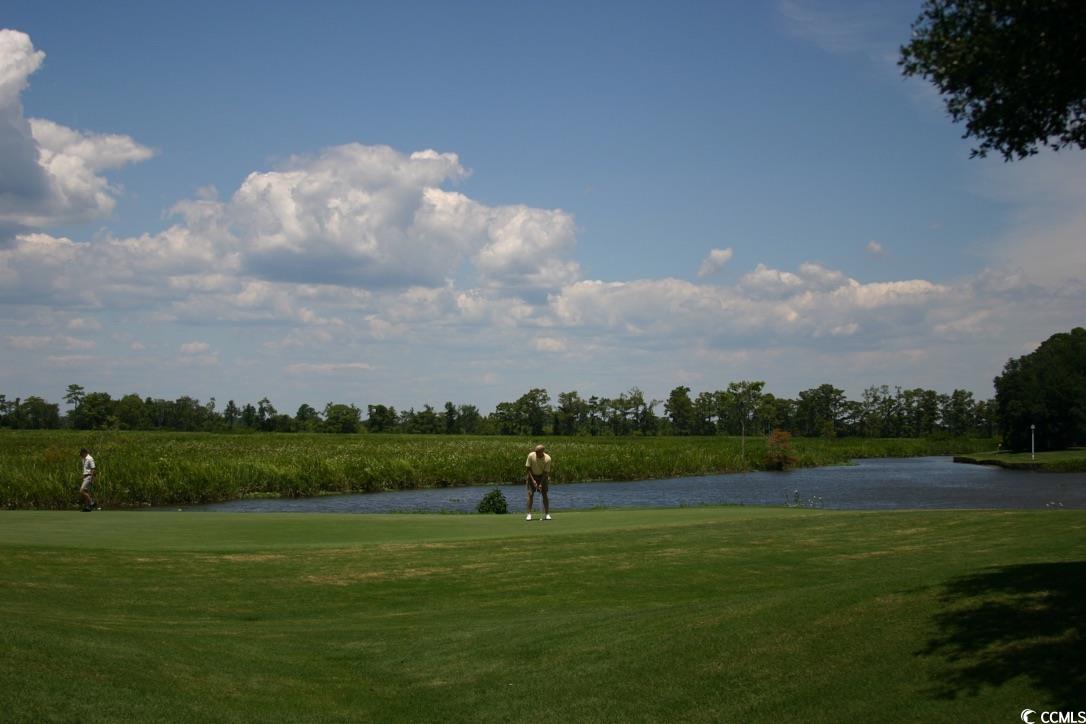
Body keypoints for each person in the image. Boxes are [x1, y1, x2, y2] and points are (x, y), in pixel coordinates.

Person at [525, 444, 552, 521]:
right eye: (535, 451)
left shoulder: (548, 459)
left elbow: (545, 472)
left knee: (544, 494)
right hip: (532, 475)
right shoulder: (531, 455)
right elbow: (528, 469)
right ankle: (529, 514)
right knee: (530, 494)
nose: (536, 453)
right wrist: (533, 480)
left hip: (543, 477)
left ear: (542, 451)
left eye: (537, 452)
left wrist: (540, 484)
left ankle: (547, 514)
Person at [79, 447, 97, 511]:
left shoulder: (90, 458)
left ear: (84, 452)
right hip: (85, 476)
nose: (81, 455)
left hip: (89, 476)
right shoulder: (83, 459)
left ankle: (91, 502)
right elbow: (85, 469)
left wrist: (92, 478)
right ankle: (87, 507)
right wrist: (83, 476)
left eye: (81, 453)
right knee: (86, 491)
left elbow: (93, 469)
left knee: (81, 491)